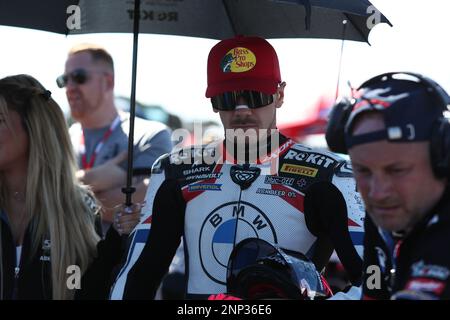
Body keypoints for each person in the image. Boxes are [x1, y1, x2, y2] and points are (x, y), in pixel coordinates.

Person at [109, 36, 365, 299]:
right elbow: (137, 277)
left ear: (279, 94)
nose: (242, 110)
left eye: (255, 96)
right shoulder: (176, 170)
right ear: (212, 102)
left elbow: (375, 282)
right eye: (228, 98)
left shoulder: (330, 175)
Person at [0, 74, 140, 299]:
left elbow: (83, 291)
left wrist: (118, 239)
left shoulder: (78, 208)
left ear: (32, 127)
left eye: (0, 119)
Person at [330, 72, 450, 299]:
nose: (378, 192)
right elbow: (374, 293)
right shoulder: (387, 216)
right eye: (363, 171)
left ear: (442, 158)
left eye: (397, 170)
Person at [58, 43, 172, 231]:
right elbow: (39, 199)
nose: (69, 87)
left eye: (79, 77)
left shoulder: (150, 135)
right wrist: (92, 178)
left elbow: (146, 201)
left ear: (108, 82)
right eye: (64, 80)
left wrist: (66, 190)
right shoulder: (61, 140)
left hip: (121, 259)